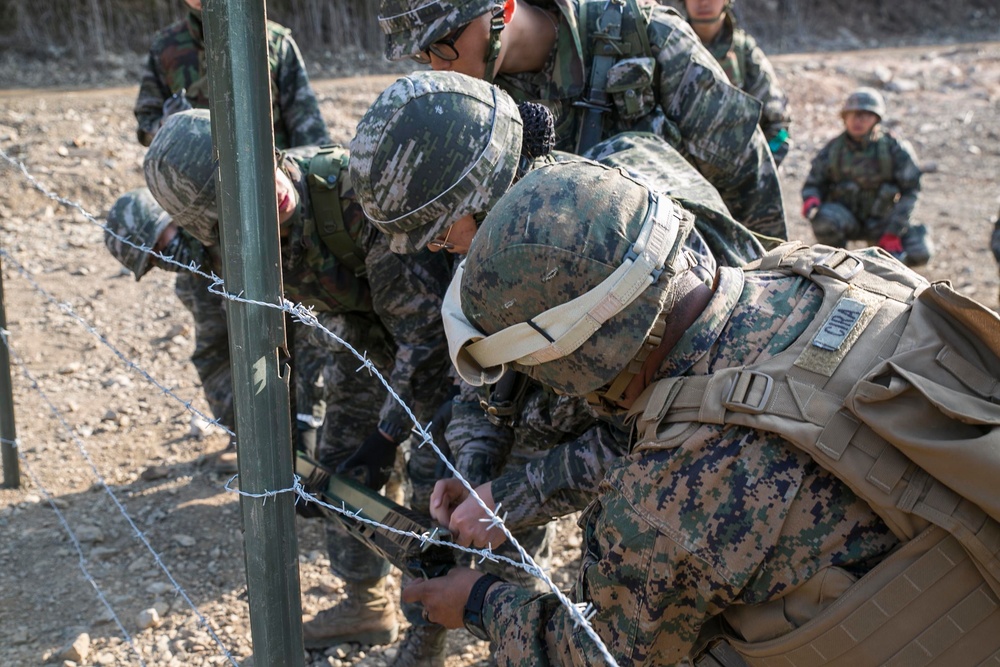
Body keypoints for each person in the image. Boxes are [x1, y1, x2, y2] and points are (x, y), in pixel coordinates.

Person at [404, 159, 1000, 665]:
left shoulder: (665, 496)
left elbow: (601, 653)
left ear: (575, 359)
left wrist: (480, 602)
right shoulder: (821, 274)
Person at [142, 110, 456, 652]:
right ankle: (367, 605)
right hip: (370, 342)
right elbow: (283, 340)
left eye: (256, 169)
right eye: (236, 200)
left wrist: (386, 437)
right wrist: (293, 437)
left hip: (451, 351)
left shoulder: (356, 195)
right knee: (336, 475)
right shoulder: (241, 251)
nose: (269, 193)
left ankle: (432, 638)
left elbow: (426, 340)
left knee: (435, 489)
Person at [376, 0, 788, 239]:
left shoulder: (645, 36)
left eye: (442, 44)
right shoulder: (467, 110)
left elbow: (747, 181)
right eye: (421, 54)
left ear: (501, 8)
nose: (435, 67)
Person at [104, 188, 238, 473]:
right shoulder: (192, 279)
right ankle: (245, 439)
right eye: (153, 261)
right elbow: (213, 354)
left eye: (158, 247)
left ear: (169, 217)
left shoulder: (226, 221)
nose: (163, 260)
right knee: (214, 354)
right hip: (206, 279)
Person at [134, 0, 330, 150]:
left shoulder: (272, 42)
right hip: (193, 188)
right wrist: (166, 126)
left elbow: (308, 129)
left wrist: (301, 184)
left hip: (271, 184)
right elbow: (146, 125)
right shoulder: (166, 47)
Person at [801, 87, 932, 266]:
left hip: (883, 220)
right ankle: (836, 265)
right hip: (846, 218)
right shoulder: (832, 150)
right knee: (824, 219)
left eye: (865, 115)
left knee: (920, 252)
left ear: (876, 119)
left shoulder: (894, 148)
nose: (858, 121)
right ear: (844, 117)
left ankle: (887, 272)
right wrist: (811, 199)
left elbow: (911, 191)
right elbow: (813, 183)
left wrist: (893, 231)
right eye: (853, 114)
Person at [683, 0, 792, 165]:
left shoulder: (745, 52)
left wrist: (759, 171)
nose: (703, 2)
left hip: (735, 178)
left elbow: (780, 128)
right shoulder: (667, 48)